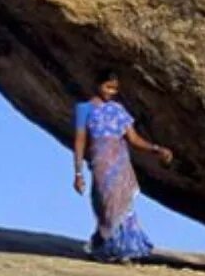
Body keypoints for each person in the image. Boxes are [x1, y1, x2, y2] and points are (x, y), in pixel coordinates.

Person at [71, 73, 173, 263]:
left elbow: (133, 139)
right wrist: (78, 173)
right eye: (108, 87)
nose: (111, 92)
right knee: (105, 203)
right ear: (97, 84)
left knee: (123, 203)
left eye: (115, 89)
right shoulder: (83, 109)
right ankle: (106, 246)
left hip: (120, 162)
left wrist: (156, 148)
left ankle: (125, 249)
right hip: (100, 162)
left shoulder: (119, 110)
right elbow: (80, 141)